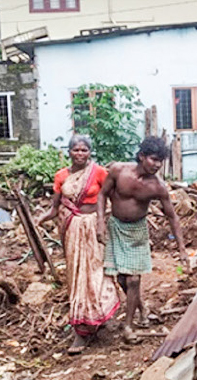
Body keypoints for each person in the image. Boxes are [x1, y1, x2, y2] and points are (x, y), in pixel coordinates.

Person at [96, 136, 189, 344]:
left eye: (160, 162)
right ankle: (141, 307)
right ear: (141, 156)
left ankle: (128, 326)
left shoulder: (158, 187)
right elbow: (102, 195)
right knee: (121, 279)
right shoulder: (119, 171)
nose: (156, 165)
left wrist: (182, 249)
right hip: (116, 228)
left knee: (134, 279)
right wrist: (100, 222)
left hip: (137, 231)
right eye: (153, 159)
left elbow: (172, 216)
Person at [36, 135, 119, 354]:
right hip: (71, 229)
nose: (80, 154)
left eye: (84, 150)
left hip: (94, 228)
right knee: (76, 277)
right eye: (76, 150)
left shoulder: (99, 173)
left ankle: (100, 317)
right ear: (69, 152)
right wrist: (40, 219)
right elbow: (54, 207)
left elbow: (110, 201)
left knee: (96, 273)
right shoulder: (61, 176)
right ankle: (81, 331)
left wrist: (110, 224)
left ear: (90, 152)